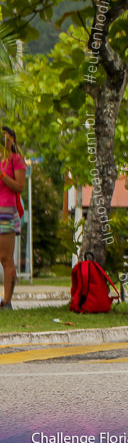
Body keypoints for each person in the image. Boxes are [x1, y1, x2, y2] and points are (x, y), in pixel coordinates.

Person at [0, 126, 26, 310]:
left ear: (12, 141)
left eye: (6, 137)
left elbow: (19, 186)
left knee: (5, 258)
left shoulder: (16, 160)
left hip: (7, 211)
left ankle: (7, 301)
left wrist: (2, 175)